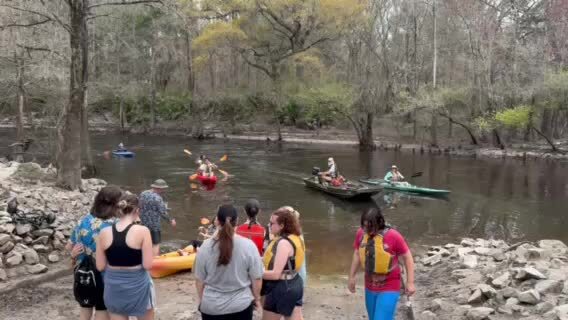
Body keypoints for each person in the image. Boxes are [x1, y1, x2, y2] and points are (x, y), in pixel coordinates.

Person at [194, 204, 264, 320]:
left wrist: (202, 300)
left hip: (211, 307)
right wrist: (256, 298)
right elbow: (256, 278)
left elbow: (199, 280)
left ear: (217, 221)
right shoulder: (248, 246)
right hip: (240, 307)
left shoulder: (205, 247)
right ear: (237, 221)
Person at [348, 208, 416, 320]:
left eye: (369, 227)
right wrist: (351, 277)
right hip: (370, 286)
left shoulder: (394, 236)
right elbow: (357, 253)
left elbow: (407, 257)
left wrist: (410, 282)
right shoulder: (361, 233)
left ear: (379, 223)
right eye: (364, 226)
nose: (366, 230)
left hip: (390, 285)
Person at [96, 194, 155, 320]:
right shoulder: (143, 231)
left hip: (113, 287)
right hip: (138, 286)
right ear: (137, 211)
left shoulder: (104, 232)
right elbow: (147, 265)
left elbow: (100, 266)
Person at [68, 185, 122, 320]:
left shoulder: (83, 220)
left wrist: (73, 255)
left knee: (85, 310)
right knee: (102, 310)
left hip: (83, 274)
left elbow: (69, 246)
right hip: (105, 276)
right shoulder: (114, 225)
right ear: (116, 205)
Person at [262, 208, 306, 320]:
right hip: (295, 283)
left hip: (282, 287)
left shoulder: (283, 243)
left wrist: (254, 272)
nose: (269, 225)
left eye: (272, 223)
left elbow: (276, 274)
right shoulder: (297, 237)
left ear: (282, 226)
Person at [139, 179, 176, 256]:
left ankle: (144, 256)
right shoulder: (157, 198)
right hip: (154, 225)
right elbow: (163, 212)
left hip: (143, 223)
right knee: (156, 243)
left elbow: (141, 205)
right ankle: (155, 260)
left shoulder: (143, 193)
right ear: (160, 188)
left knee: (145, 242)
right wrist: (171, 220)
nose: (164, 190)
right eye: (163, 189)